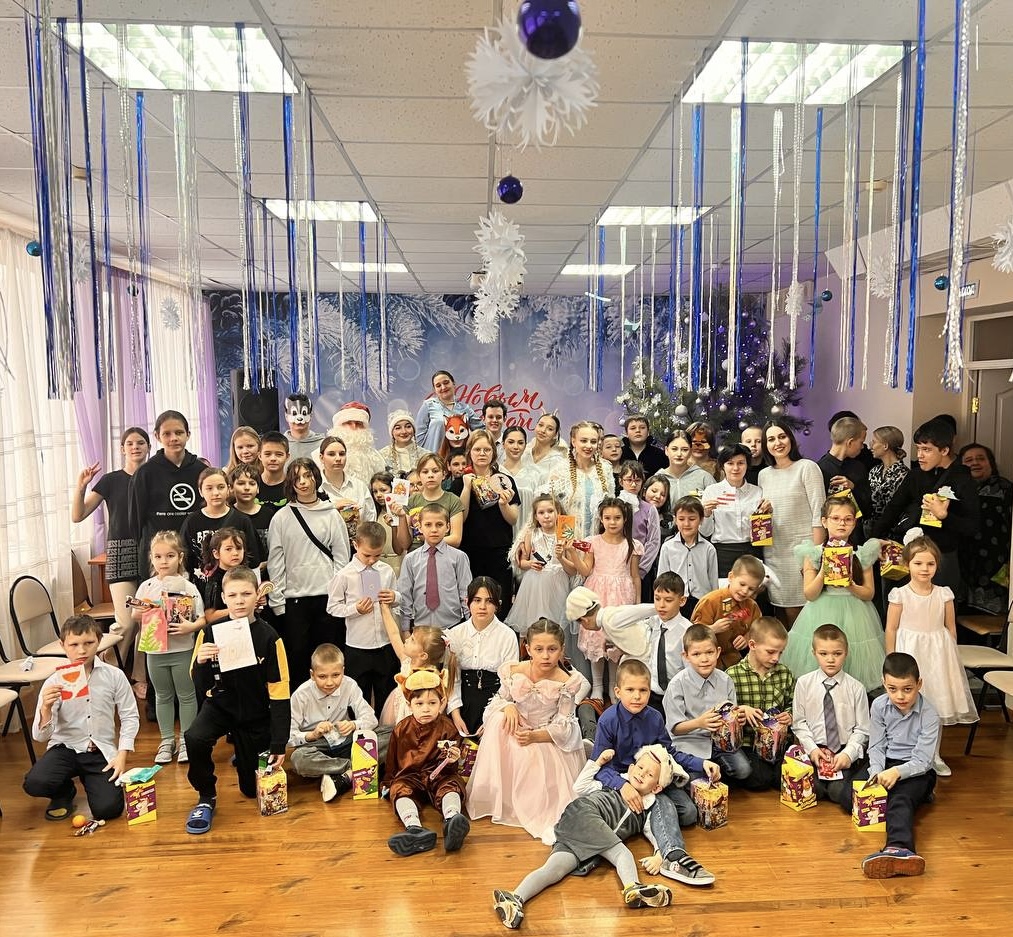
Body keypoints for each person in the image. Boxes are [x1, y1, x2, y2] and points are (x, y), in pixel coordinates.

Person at [491, 744, 680, 929]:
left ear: (656, 788)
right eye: (640, 767)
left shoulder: (647, 809)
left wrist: (659, 855)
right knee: (622, 854)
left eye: (649, 775)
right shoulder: (613, 784)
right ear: (631, 768)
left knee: (554, 869)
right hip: (585, 813)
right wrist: (597, 763)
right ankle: (633, 886)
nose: (642, 774)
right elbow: (580, 786)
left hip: (581, 835)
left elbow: (655, 833)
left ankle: (514, 898)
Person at [590, 658, 719, 885]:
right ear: (617, 692)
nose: (637, 696)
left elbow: (669, 754)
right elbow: (598, 766)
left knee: (689, 813)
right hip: (625, 779)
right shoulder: (608, 720)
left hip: (654, 780)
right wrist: (622, 786)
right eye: (630, 690)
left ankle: (646, 818)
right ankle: (672, 855)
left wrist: (702, 763)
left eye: (643, 690)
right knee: (664, 805)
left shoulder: (655, 717)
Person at [184, 567, 290, 834]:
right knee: (194, 737)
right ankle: (206, 795)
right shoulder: (208, 633)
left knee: (250, 790)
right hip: (220, 706)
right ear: (223, 597)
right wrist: (201, 662)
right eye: (232, 595)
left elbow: (280, 694)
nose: (240, 601)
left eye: (246, 594)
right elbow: (199, 685)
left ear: (257, 596)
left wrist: (279, 743)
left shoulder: (270, 637)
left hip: (255, 713)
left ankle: (243, 756)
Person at [466, 619, 591, 843]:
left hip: (545, 734)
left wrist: (535, 736)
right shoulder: (514, 670)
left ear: (562, 650)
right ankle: (501, 796)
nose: (545, 656)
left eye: (552, 649)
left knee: (535, 757)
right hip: (518, 726)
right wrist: (508, 706)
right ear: (528, 649)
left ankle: (535, 803)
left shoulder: (566, 682)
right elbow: (495, 702)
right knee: (498, 720)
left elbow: (565, 726)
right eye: (539, 649)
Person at [23, 614, 138, 821]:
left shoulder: (114, 676)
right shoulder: (53, 682)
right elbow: (40, 737)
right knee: (35, 782)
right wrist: (46, 708)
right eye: (74, 644)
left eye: (89, 643)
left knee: (108, 810)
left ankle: (93, 781)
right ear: (63, 645)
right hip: (65, 748)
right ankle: (64, 791)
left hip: (99, 750)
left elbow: (130, 716)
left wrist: (121, 756)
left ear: (99, 641)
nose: (82, 650)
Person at [886, 536, 976, 776]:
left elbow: (950, 629)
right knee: (908, 703)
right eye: (918, 563)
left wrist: (949, 658)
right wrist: (891, 659)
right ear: (907, 564)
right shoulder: (900, 595)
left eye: (930, 564)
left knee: (936, 705)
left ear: (937, 565)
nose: (924, 569)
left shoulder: (944, 594)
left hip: (937, 656)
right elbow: (891, 628)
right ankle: (907, 753)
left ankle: (933, 754)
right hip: (910, 652)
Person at [780, 496, 885, 692]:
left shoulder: (861, 554)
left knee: (853, 658)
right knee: (823, 656)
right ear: (824, 521)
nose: (841, 523)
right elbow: (809, 594)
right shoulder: (813, 553)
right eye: (835, 518)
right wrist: (824, 571)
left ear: (854, 522)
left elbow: (869, 593)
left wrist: (850, 584)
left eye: (847, 519)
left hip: (855, 613)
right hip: (821, 611)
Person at [72, 427, 151, 673]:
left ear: (149, 447)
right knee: (127, 623)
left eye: (141, 442)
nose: (135, 447)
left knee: (149, 620)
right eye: (130, 443)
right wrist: (81, 487)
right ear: (122, 449)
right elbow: (78, 515)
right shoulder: (111, 480)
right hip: (121, 554)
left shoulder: (154, 476)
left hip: (151, 553)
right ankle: (107, 670)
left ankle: (140, 677)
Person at [873, 417, 980, 595]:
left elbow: (972, 526)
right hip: (910, 553)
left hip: (942, 558)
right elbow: (892, 509)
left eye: (927, 450)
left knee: (939, 606)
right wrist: (873, 539)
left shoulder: (963, 479)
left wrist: (944, 517)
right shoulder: (916, 475)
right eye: (918, 448)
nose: (920, 455)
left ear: (944, 450)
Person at [267, 458, 351, 678]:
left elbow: (342, 558)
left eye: (307, 476)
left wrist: (338, 594)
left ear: (316, 477)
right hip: (295, 601)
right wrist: (277, 602)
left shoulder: (331, 514)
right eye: (297, 478)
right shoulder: (281, 518)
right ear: (290, 483)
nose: (303, 482)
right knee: (298, 661)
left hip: (328, 599)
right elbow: (276, 563)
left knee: (330, 658)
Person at [861, 652, 939, 879]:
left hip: (916, 769)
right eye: (892, 689)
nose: (900, 696)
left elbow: (923, 760)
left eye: (907, 689)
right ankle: (916, 799)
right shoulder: (878, 706)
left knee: (899, 800)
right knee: (851, 796)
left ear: (919, 684)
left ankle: (899, 849)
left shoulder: (930, 714)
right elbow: (876, 745)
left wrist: (896, 772)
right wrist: (877, 773)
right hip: (887, 764)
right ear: (884, 684)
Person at [132, 530, 204, 764]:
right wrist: (145, 610)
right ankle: (166, 740)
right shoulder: (146, 587)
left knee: (186, 695)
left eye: (170, 556)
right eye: (158, 556)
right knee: (162, 695)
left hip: (182, 650)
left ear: (180, 557)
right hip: (155, 651)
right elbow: (134, 615)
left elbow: (202, 618)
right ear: (151, 558)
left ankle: (186, 740)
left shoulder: (188, 587)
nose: (164, 561)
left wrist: (190, 627)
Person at [561, 497, 643, 699]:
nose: (612, 522)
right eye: (607, 518)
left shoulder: (632, 545)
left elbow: (635, 576)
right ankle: (597, 687)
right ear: (601, 518)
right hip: (596, 594)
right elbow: (585, 571)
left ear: (625, 519)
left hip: (622, 596)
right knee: (596, 638)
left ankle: (614, 687)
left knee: (616, 640)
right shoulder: (593, 542)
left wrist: (637, 603)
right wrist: (571, 553)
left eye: (617, 518)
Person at [385, 667, 470, 856]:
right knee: (399, 789)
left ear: (442, 703)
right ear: (409, 705)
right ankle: (414, 828)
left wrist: (453, 759)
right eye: (419, 703)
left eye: (432, 703)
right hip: (411, 777)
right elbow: (392, 758)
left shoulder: (448, 727)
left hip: (440, 777)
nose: (426, 709)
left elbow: (451, 764)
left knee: (452, 786)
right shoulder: (401, 728)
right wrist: (389, 782)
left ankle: (452, 820)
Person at [792, 624, 870, 810]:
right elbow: (799, 723)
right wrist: (812, 749)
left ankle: (848, 774)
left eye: (837, 653)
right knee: (813, 790)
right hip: (815, 748)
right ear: (814, 653)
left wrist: (848, 754)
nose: (830, 659)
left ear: (846, 653)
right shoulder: (804, 683)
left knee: (837, 793)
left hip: (842, 749)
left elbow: (862, 729)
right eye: (823, 654)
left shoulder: (856, 688)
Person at [325, 521, 401, 715]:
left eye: (377, 555)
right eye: (367, 555)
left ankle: (385, 731)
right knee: (358, 698)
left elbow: (399, 599)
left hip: (385, 644)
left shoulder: (386, 571)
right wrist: (355, 609)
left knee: (387, 695)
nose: (371, 560)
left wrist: (394, 597)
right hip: (358, 646)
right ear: (355, 544)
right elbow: (332, 607)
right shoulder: (344, 575)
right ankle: (359, 731)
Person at [288, 643, 379, 802]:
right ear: (312, 675)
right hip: (317, 746)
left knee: (390, 733)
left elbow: (371, 718)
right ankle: (356, 768)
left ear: (343, 671)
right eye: (322, 677)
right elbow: (288, 736)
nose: (329, 683)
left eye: (336, 675)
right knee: (298, 758)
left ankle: (339, 775)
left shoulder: (350, 685)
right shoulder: (300, 695)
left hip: (346, 740)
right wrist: (312, 734)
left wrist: (353, 725)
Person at [757, 419, 827, 625]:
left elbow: (819, 514)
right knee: (780, 613)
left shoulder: (807, 467)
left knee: (802, 614)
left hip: (802, 552)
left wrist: (815, 556)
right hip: (775, 553)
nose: (777, 443)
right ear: (766, 445)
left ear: (791, 439)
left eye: (782, 437)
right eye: (771, 439)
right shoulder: (763, 475)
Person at [663, 624, 751, 784]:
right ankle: (703, 772)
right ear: (686, 656)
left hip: (720, 742)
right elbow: (674, 728)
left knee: (744, 770)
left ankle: (715, 771)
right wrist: (699, 723)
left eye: (709, 652)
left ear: (718, 652)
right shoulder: (677, 684)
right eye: (696, 654)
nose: (704, 659)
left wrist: (738, 720)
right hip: (689, 742)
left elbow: (731, 714)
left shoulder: (725, 680)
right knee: (696, 782)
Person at [128, 410, 206, 579]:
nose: (173, 438)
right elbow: (135, 521)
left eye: (179, 432)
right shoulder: (145, 473)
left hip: (193, 554)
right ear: (157, 436)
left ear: (188, 434)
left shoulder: (202, 471)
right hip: (159, 557)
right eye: (167, 434)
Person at [452, 430, 521, 615]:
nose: (482, 454)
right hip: (469, 553)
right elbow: (460, 518)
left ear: (494, 452)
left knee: (500, 603)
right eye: (477, 449)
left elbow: (513, 519)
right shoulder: (459, 483)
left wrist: (503, 504)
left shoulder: (505, 481)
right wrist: (467, 488)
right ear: (469, 452)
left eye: (487, 450)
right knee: (472, 603)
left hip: (499, 552)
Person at [724, 617, 794, 790]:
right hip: (748, 743)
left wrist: (789, 714)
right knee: (760, 780)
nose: (776, 658)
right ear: (752, 645)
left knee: (786, 778)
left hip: (778, 743)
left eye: (780, 653)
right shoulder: (732, 675)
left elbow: (792, 702)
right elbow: (724, 713)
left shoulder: (784, 673)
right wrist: (741, 710)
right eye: (770, 652)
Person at [446, 578, 519, 737]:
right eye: (477, 600)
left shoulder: (507, 635)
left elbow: (509, 683)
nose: (482, 607)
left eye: (489, 601)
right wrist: (455, 714)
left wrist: (491, 718)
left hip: (496, 702)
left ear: (498, 604)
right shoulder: (456, 633)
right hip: (462, 702)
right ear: (467, 602)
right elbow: (453, 679)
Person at [378, 602, 458, 727]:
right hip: (401, 713)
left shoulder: (433, 678)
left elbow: (439, 706)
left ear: (423, 655)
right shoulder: (406, 661)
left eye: (412, 640)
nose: (406, 640)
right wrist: (385, 608)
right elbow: (394, 634)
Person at [396, 503, 472, 631]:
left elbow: (466, 593)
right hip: (420, 626)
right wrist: (405, 629)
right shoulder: (410, 559)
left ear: (448, 527)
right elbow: (405, 595)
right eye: (428, 525)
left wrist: (470, 626)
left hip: (453, 626)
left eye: (439, 524)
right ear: (419, 527)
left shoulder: (459, 557)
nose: (434, 530)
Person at [178, 466, 260, 583]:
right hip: (201, 587)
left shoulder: (242, 520)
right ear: (200, 491)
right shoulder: (192, 521)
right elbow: (184, 562)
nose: (215, 493)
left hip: (236, 586)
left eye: (221, 487)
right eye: (209, 488)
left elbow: (254, 561)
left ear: (229, 489)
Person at [624, 572, 691, 713]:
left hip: (677, 695)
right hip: (651, 693)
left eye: (668, 600)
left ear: (682, 601)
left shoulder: (687, 632)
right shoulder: (652, 622)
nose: (661, 605)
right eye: (657, 599)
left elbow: (690, 672)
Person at [958, 443, 1012, 614]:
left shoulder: (1005, 489)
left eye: (981, 459)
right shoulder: (954, 490)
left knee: (990, 619)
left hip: (996, 565)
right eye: (969, 460)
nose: (975, 463)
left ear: (991, 463)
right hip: (963, 564)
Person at [507, 493, 571, 634]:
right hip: (535, 584)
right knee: (535, 620)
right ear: (535, 516)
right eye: (541, 513)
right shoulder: (532, 534)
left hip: (558, 582)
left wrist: (562, 557)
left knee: (557, 621)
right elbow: (522, 562)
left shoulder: (565, 535)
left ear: (558, 513)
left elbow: (572, 568)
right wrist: (530, 563)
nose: (546, 516)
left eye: (550, 511)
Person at [700, 444, 768, 577]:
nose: (735, 468)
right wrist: (706, 514)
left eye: (741, 463)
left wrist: (766, 515)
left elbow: (762, 534)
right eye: (730, 463)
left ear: (747, 465)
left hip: (751, 551)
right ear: (722, 466)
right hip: (722, 552)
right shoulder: (712, 491)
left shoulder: (757, 492)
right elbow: (705, 532)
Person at [689, 554, 764, 670]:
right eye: (742, 584)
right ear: (731, 577)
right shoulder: (710, 601)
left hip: (736, 661)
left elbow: (759, 630)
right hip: (707, 663)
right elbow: (692, 634)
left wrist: (747, 637)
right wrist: (712, 629)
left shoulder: (752, 606)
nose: (745, 591)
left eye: (751, 589)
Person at [547, 421, 614, 541]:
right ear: (573, 441)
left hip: (599, 541)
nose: (589, 446)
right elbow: (549, 506)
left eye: (593, 441)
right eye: (583, 441)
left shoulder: (606, 468)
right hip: (568, 541)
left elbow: (611, 506)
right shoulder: (560, 470)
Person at [656, 496, 718, 616]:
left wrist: (714, 605)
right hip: (676, 601)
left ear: (701, 520)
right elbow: (661, 579)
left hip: (703, 602)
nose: (686, 523)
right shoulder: (667, 547)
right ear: (675, 520)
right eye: (681, 519)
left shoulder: (709, 549)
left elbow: (713, 582)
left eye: (692, 519)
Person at [391, 453, 465, 553]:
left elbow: (456, 539)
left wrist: (428, 539)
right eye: (425, 472)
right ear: (419, 476)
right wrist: (401, 517)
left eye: (435, 471)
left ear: (444, 474)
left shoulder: (453, 500)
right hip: (416, 555)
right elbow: (404, 544)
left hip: (444, 555)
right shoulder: (411, 501)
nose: (430, 475)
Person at [816, 416, 873, 537]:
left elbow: (868, 509)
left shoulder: (859, 468)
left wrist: (853, 488)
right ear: (850, 442)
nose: (862, 447)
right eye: (861, 442)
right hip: (829, 539)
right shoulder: (819, 469)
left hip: (855, 536)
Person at [617, 461, 661, 602]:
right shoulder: (613, 505)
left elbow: (653, 541)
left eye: (637, 480)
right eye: (629, 480)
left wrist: (640, 569)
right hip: (616, 567)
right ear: (621, 481)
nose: (633, 484)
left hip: (640, 569)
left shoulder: (649, 509)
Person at [318, 435, 377, 537]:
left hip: (358, 543)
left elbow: (371, 523)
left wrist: (360, 525)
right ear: (321, 457)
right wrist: (333, 508)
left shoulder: (359, 486)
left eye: (342, 454)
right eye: (331, 454)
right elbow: (310, 523)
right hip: (325, 544)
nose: (338, 459)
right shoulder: (315, 487)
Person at [415, 370, 484, 453]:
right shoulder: (428, 405)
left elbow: (482, 431)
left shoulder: (465, 409)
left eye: (446, 383)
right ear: (434, 390)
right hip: (432, 458)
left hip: (457, 459)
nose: (443, 387)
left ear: (454, 384)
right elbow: (418, 438)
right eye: (438, 385)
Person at [194, 527, 250, 625]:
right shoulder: (214, 582)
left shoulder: (248, 575)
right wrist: (240, 609)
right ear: (216, 553)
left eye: (239, 548)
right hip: (224, 629)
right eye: (228, 549)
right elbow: (210, 616)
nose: (235, 553)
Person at [228, 462, 275, 568]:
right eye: (241, 483)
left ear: (258, 488)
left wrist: (268, 563)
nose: (247, 488)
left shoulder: (269, 514)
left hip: (267, 572)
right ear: (231, 488)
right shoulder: (228, 515)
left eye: (252, 483)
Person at [330, 401, 387, 484]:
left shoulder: (376, 457)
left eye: (358, 423)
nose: (354, 427)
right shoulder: (322, 455)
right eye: (349, 423)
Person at [866, 426, 909, 536]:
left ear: (885, 446)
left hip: (893, 532)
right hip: (870, 530)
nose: (870, 446)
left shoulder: (903, 474)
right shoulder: (874, 471)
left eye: (874, 442)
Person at [658, 431, 715, 509]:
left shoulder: (704, 478)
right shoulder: (658, 478)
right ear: (666, 450)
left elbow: (717, 508)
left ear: (690, 451)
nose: (679, 454)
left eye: (684, 450)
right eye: (674, 449)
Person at [368, 471, 406, 577]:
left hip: (398, 564)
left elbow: (400, 548)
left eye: (383, 490)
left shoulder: (402, 513)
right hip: (377, 565)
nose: (378, 495)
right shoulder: (374, 514)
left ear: (393, 489)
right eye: (375, 491)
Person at [379, 409, 429, 477]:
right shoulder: (382, 456)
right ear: (392, 432)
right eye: (398, 428)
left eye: (408, 426)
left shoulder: (425, 455)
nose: (404, 431)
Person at [525, 413, 568, 486]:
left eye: (550, 429)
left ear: (555, 435)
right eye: (540, 425)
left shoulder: (558, 461)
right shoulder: (524, 453)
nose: (543, 430)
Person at [283, 392, 324, 462]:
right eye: (294, 414)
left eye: (304, 413)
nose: (299, 418)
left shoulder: (322, 444)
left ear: (310, 416)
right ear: (286, 416)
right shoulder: (280, 444)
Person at [257, 431, 290, 507]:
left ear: (287, 457)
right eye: (267, 454)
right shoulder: (251, 483)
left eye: (279, 454)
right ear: (260, 456)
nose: (273, 458)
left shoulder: (293, 486)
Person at [643, 474, 674, 543]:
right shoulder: (635, 513)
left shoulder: (670, 520)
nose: (658, 496)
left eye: (663, 495)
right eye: (654, 491)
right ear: (644, 492)